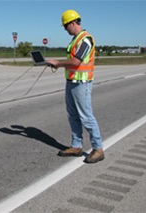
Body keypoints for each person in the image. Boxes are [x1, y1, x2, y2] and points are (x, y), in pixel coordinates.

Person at [47, 10, 104, 163]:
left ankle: (98, 148)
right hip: (71, 82)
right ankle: (76, 146)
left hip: (82, 83)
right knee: (72, 116)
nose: (65, 30)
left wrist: (58, 64)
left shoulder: (85, 39)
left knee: (86, 117)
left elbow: (76, 62)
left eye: (66, 26)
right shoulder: (75, 40)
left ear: (73, 23)